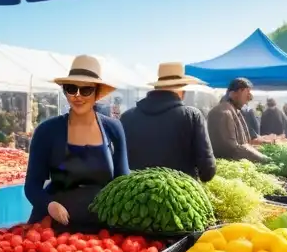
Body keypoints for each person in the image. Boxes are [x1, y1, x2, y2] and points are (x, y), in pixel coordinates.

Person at [24, 56, 129, 228]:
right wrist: (49, 205)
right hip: (54, 229)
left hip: (102, 232)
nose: (77, 96)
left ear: (97, 93)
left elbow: (123, 181)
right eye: (71, 89)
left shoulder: (114, 129)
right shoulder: (46, 131)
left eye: (86, 90)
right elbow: (32, 186)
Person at [120, 63, 216, 182]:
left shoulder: (126, 117)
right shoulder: (192, 116)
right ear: (181, 90)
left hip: (135, 197)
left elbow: (119, 167)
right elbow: (207, 171)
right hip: (181, 197)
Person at [207, 79, 269, 163]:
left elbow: (244, 143)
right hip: (229, 169)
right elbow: (230, 149)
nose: (249, 98)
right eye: (247, 93)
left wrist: (259, 150)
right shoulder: (222, 113)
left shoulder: (234, 110)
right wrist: (263, 159)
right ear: (236, 93)